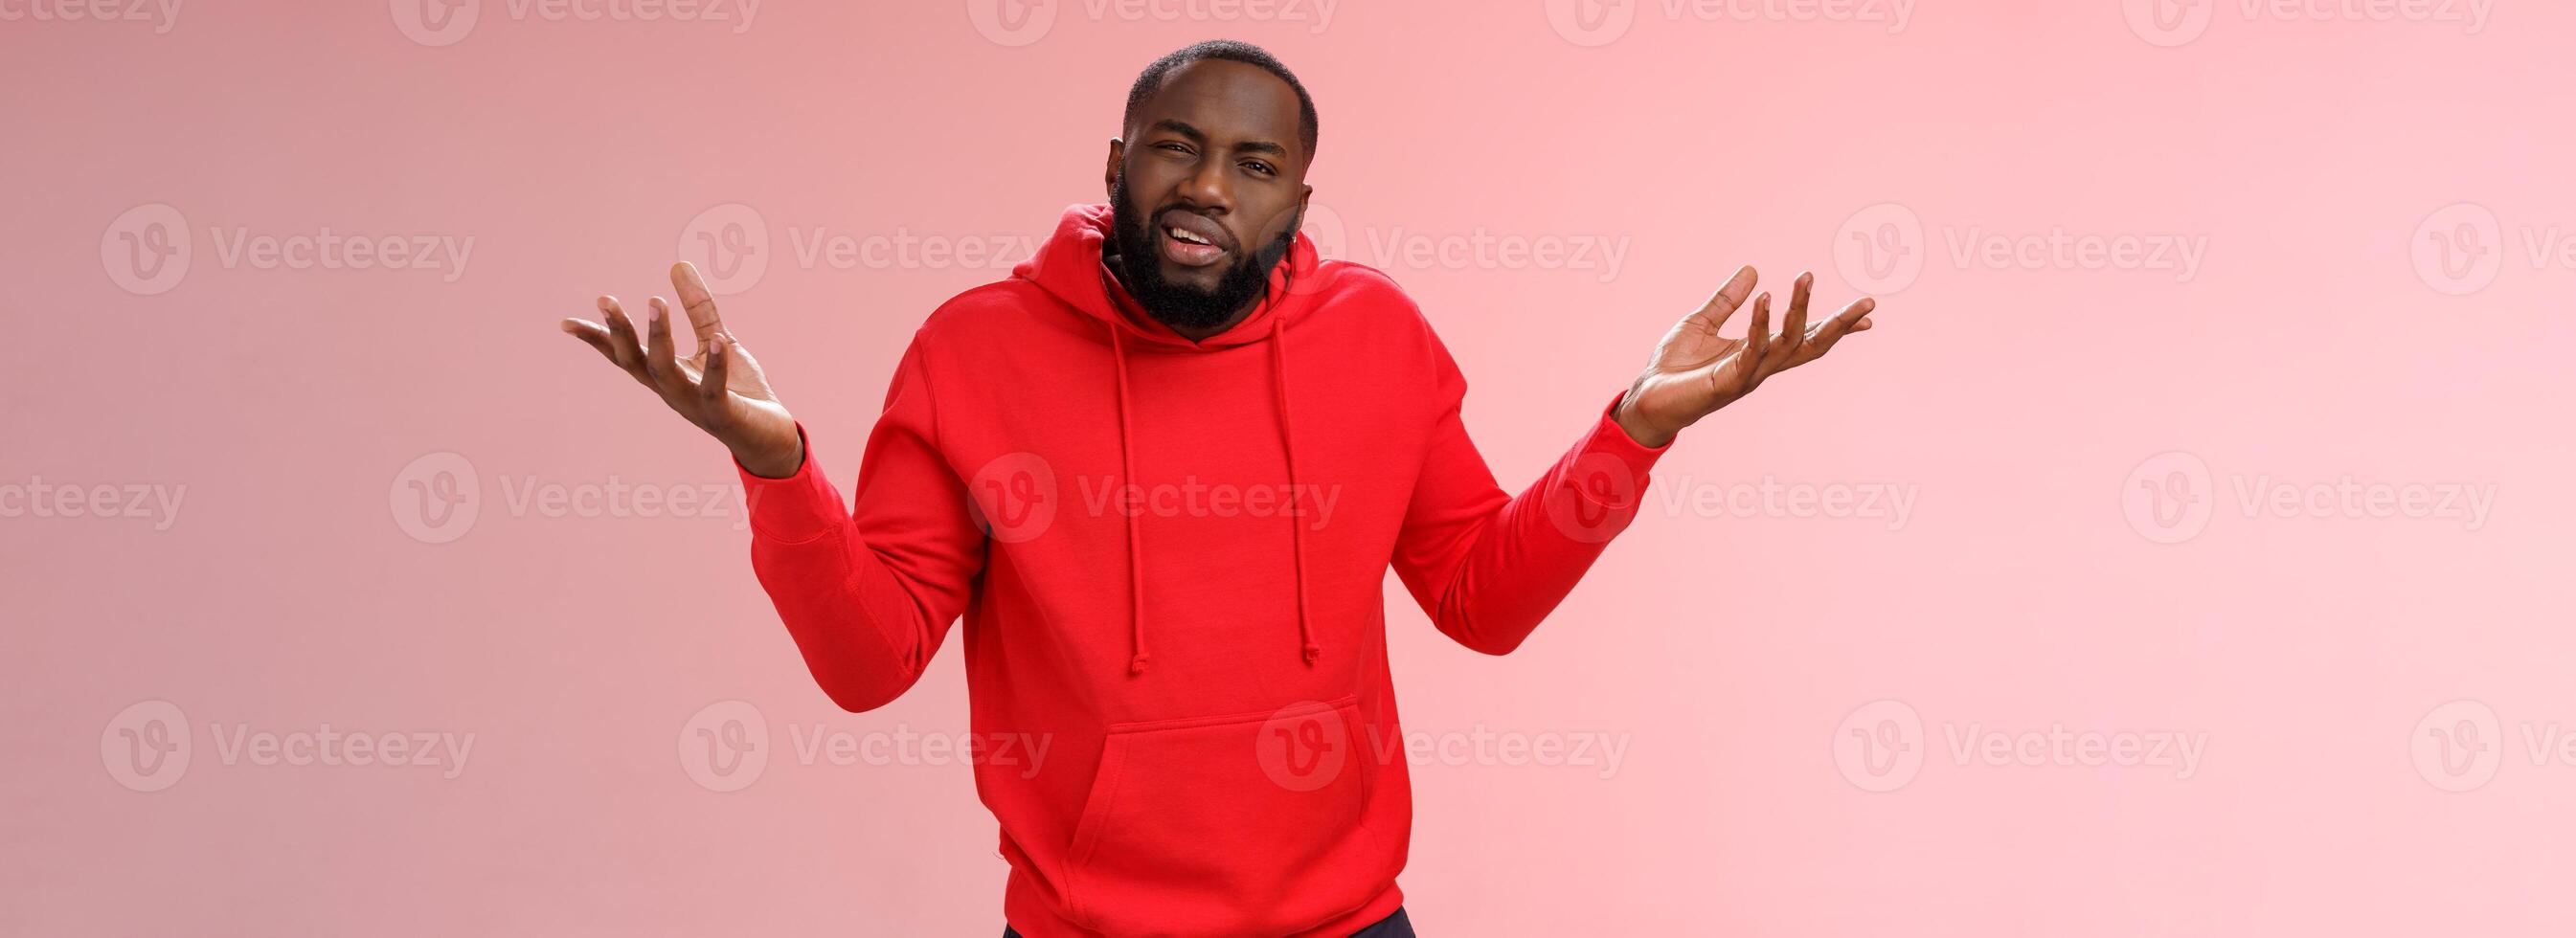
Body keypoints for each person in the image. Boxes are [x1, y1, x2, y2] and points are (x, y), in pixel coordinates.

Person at [560, 39, 1877, 938]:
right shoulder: (971, 352)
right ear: (1116, 161)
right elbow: (870, 661)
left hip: (1349, 925)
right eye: (1174, 148)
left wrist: (1632, 431)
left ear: (1299, 197)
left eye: (1252, 166)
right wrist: (777, 469)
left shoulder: (1378, 338)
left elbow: (1479, 599)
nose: (1205, 187)